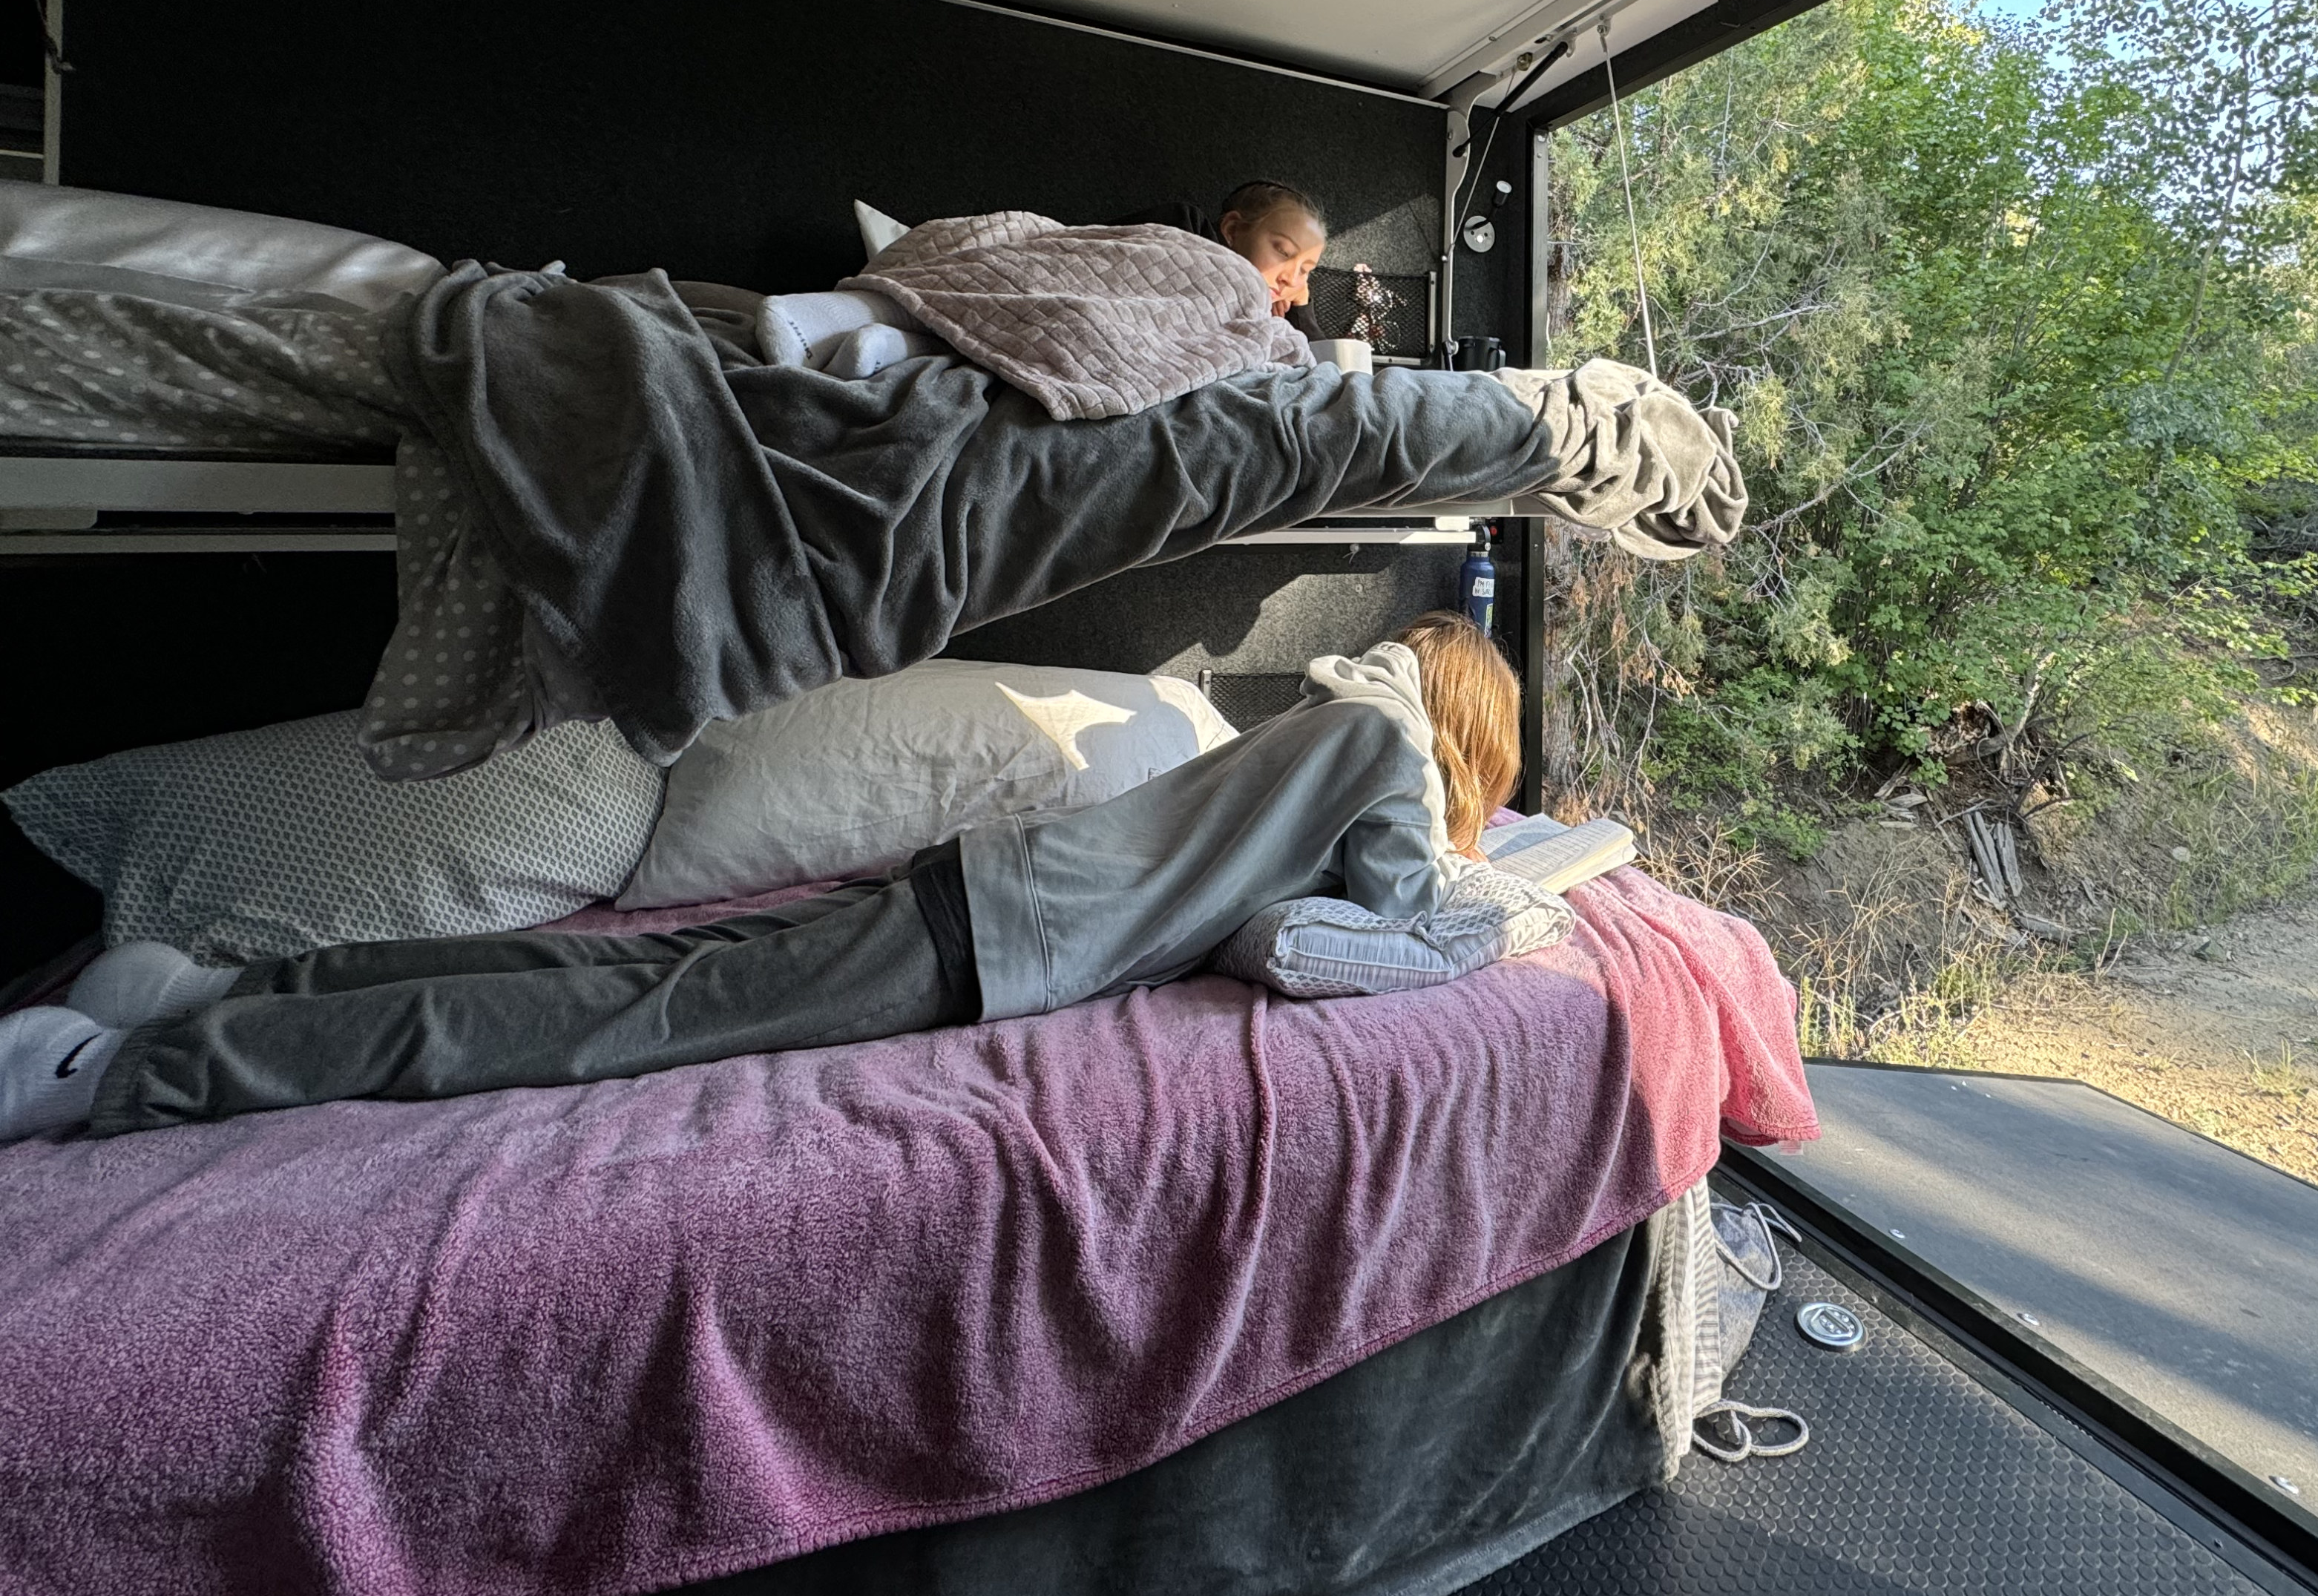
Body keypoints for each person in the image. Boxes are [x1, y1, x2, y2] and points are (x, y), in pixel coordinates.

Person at [0, 612, 1519, 1141]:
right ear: (1469, 738)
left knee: (599, 977)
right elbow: (1317, 952)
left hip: (964, 887)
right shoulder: (1384, 758)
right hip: (990, 948)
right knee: (589, 1033)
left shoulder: (1324, 722)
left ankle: (227, 990)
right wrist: (1496, 914)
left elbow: (1263, 919)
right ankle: (120, 1072)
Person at [1128, 179, 1330, 326]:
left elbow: (1322, 369)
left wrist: (1301, 307)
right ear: (1232, 229)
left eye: (1305, 270)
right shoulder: (1185, 223)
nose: (1291, 279)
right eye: (1283, 252)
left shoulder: (1273, 319)